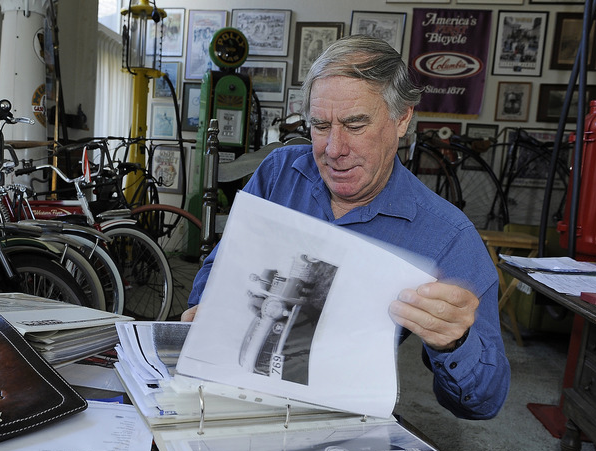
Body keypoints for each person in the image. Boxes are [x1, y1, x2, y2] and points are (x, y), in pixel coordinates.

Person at [181, 34, 509, 421]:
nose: (334, 149)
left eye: (355, 125)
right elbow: (217, 271)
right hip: (234, 385)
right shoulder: (279, 174)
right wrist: (207, 307)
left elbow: (485, 403)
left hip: (339, 420)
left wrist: (456, 341)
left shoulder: (448, 237)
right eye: (320, 126)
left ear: (401, 118)